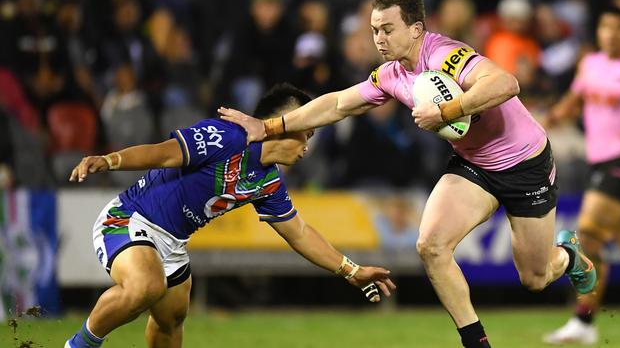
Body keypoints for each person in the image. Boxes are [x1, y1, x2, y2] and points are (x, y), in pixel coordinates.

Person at [218, 0, 597, 348]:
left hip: (525, 164)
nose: (378, 39)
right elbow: (336, 104)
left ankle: (566, 254)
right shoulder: (391, 75)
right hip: (475, 165)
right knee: (431, 246)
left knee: (535, 277)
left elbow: (505, 83)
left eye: (387, 29)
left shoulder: (447, 55)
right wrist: (267, 126)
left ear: (416, 29)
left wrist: (448, 110)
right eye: (373, 30)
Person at [64, 83, 395, 348]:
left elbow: (299, 233)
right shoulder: (227, 136)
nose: (307, 146)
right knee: (146, 287)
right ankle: (79, 345)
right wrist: (110, 160)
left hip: (173, 243)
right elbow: (163, 154)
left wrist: (351, 270)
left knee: (172, 319)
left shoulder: (268, 181)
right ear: (287, 122)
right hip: (130, 219)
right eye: (306, 132)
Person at [542, 6, 620, 345]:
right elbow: (574, 100)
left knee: (587, 235)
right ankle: (584, 323)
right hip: (598, 162)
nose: (612, 33)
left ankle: (583, 322)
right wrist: (553, 117)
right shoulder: (589, 65)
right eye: (606, 26)